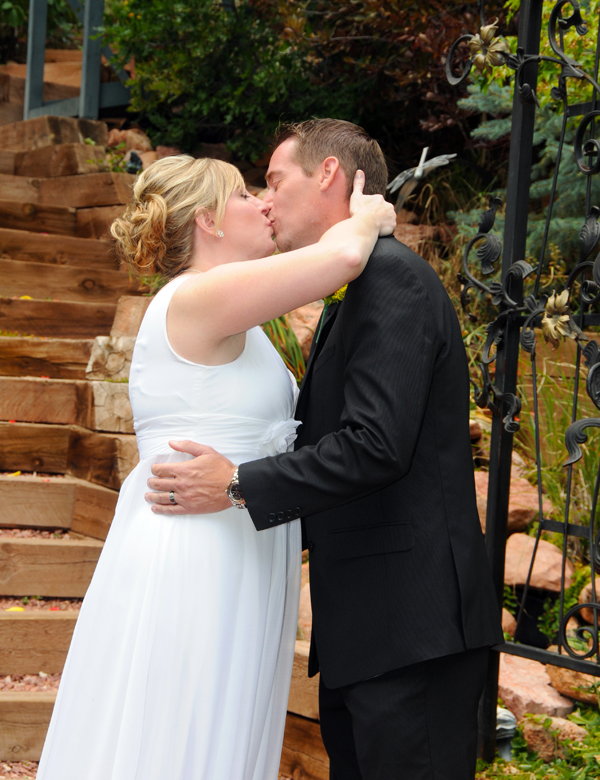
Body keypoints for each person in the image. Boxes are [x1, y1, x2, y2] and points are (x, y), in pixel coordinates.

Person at [146, 120, 504, 780]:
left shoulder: (391, 279)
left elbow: (375, 445)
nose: (267, 200)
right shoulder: (354, 289)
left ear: (331, 175)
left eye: (276, 180)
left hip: (410, 633)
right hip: (372, 638)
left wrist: (238, 483)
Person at [36, 153, 396, 780]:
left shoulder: (235, 314)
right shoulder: (198, 296)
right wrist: (369, 213)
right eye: (243, 193)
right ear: (208, 219)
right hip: (196, 553)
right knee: (181, 730)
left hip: (237, 543)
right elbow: (342, 259)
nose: (263, 202)